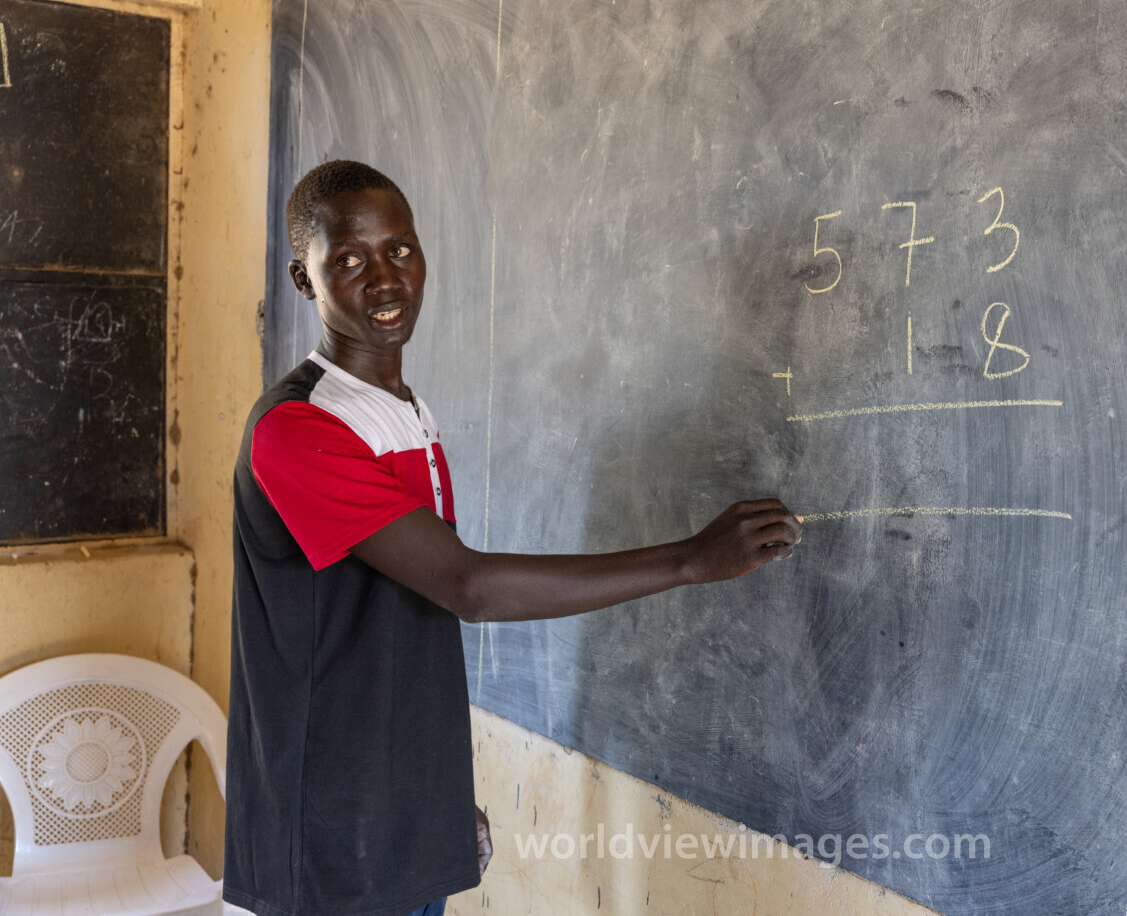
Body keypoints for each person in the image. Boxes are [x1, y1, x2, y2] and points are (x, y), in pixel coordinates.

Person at [223, 160, 803, 916]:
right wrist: (690, 560)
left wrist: (437, 795)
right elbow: (469, 588)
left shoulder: (404, 412)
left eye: (400, 249)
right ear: (305, 280)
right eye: (350, 262)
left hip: (399, 817)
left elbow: (400, 630)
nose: (386, 280)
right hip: (330, 840)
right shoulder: (297, 428)